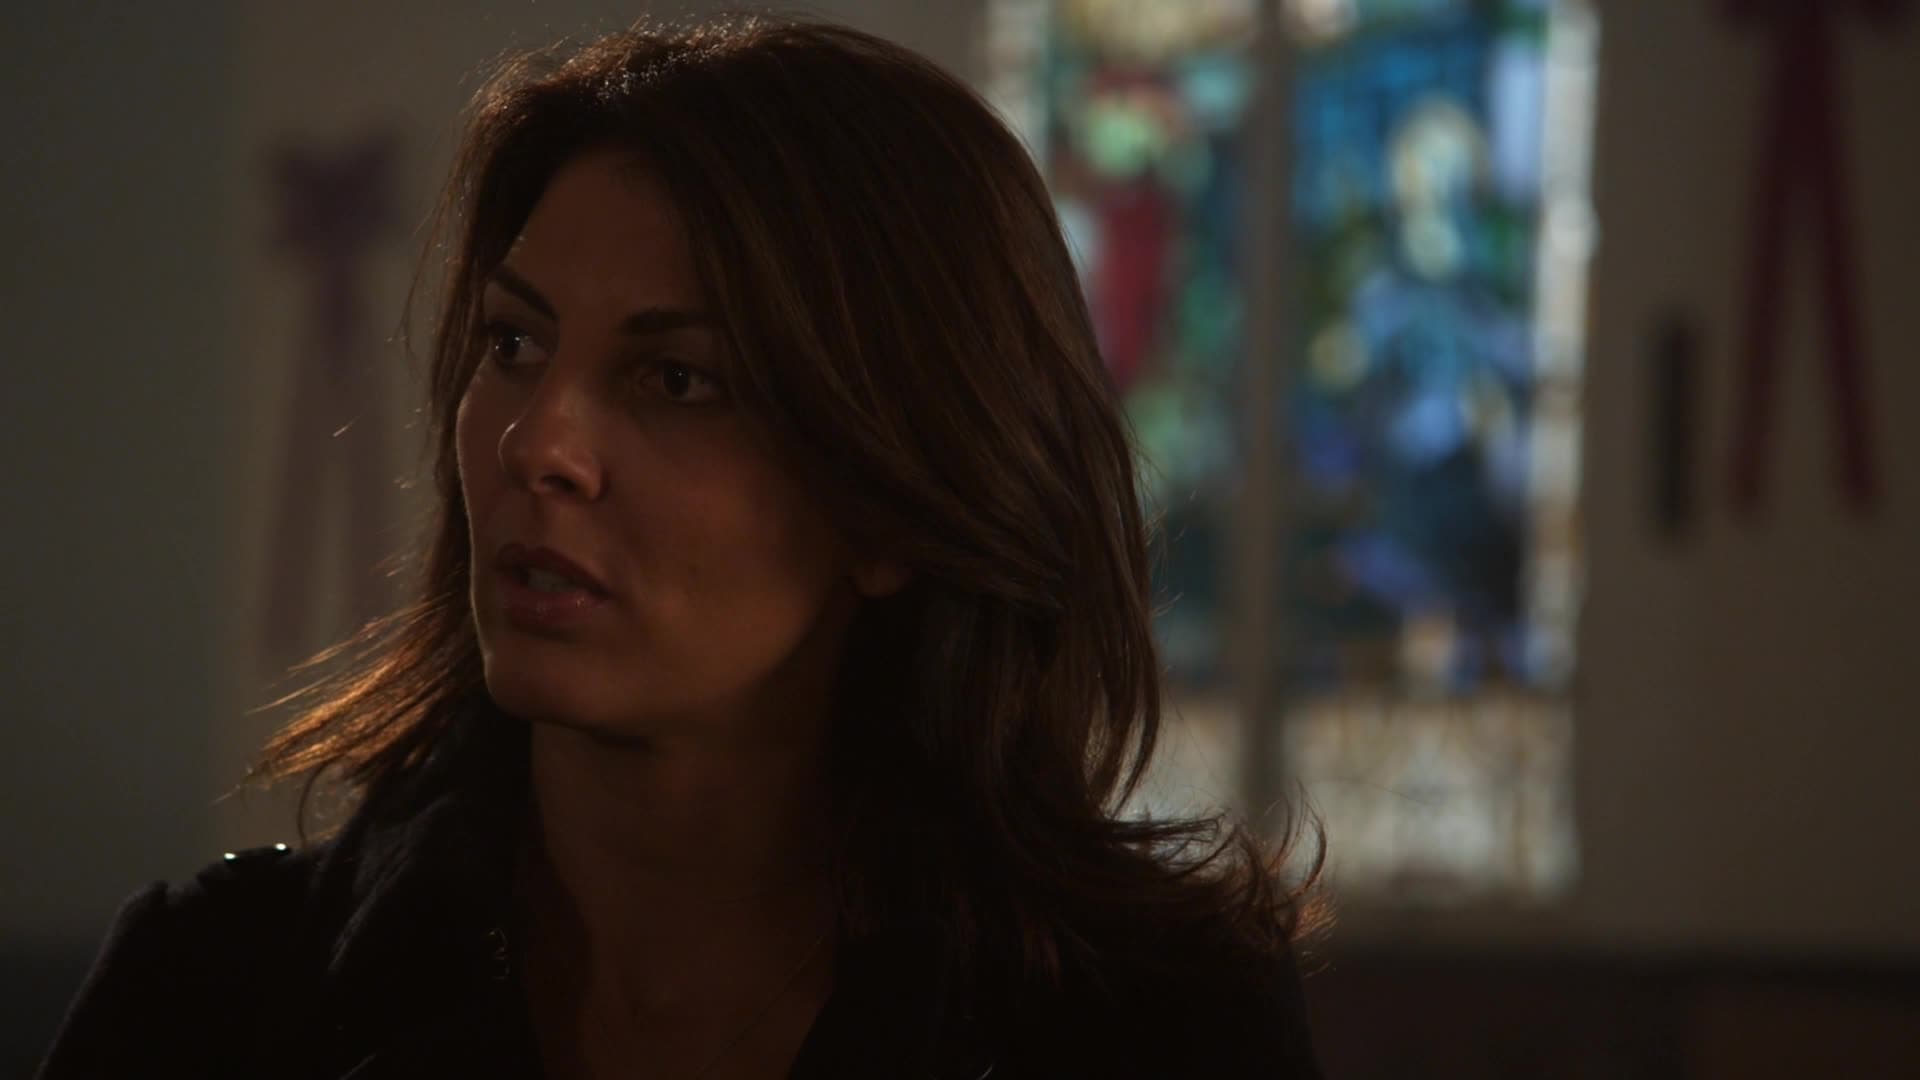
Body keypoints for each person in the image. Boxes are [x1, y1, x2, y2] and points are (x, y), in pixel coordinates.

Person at [38, 16, 1324, 1079]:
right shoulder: (218, 996)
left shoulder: (1146, 1032)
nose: (540, 444)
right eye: (514, 345)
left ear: (893, 505)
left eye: (677, 380)